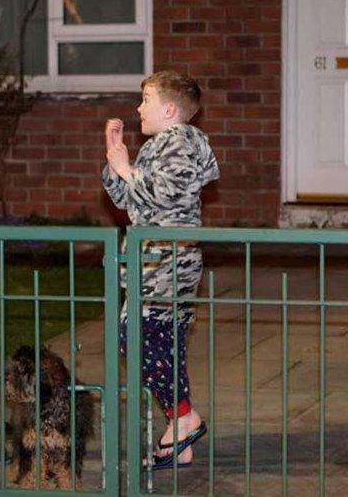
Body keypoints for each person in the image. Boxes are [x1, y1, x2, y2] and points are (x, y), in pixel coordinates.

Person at [102, 70, 220, 470]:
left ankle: (184, 417)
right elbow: (128, 202)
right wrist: (115, 161)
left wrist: (126, 170)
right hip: (152, 260)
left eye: (146, 100)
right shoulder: (160, 145)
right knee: (160, 346)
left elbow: (163, 202)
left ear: (169, 109)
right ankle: (180, 434)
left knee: (136, 338)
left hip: (169, 263)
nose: (139, 108)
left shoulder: (182, 144)